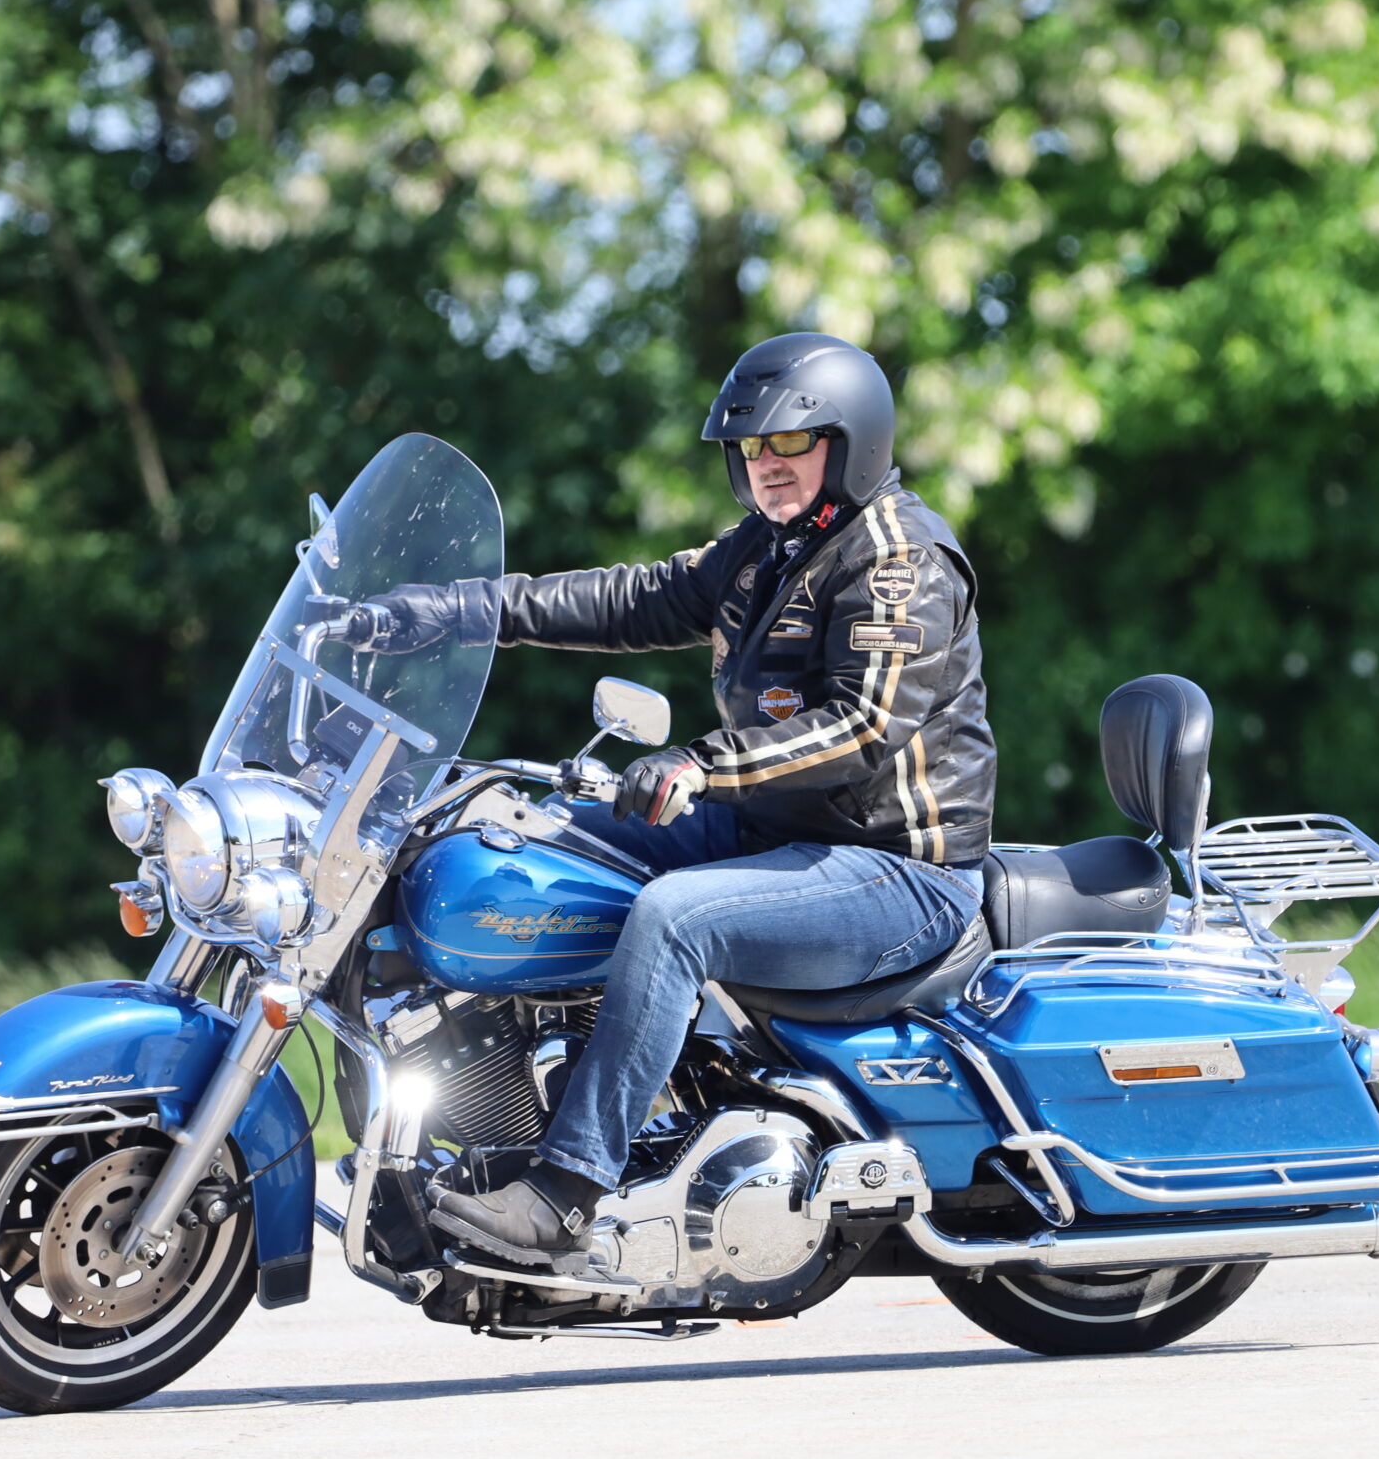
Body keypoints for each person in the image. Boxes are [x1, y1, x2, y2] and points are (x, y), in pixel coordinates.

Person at [356, 333, 995, 1272]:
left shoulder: (900, 560)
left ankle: (566, 1192)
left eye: (791, 443)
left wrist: (703, 763)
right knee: (515, 834)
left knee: (674, 918)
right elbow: (636, 597)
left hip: (898, 871)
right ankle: (463, 1118)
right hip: (775, 831)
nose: (767, 464)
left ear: (851, 442)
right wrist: (458, 612)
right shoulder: (770, 547)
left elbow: (864, 726)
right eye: (752, 448)